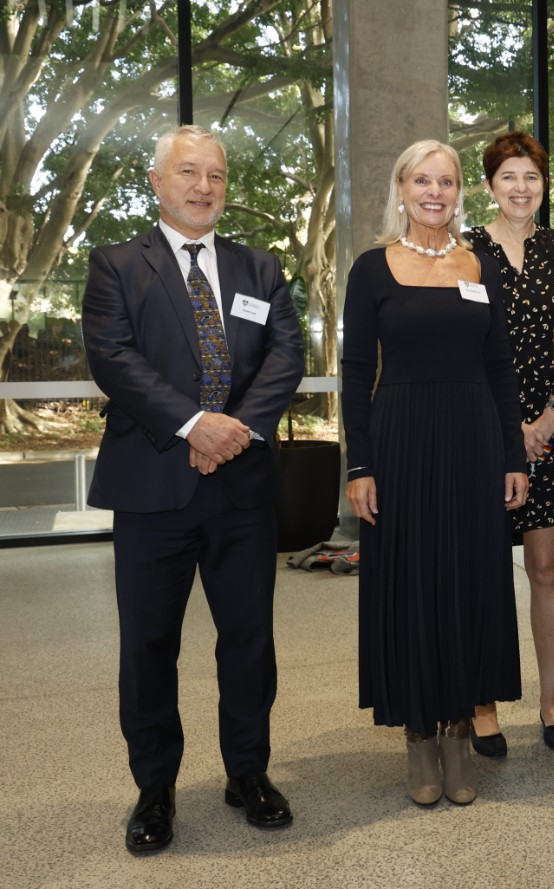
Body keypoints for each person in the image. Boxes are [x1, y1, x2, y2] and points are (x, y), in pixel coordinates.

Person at [82, 125, 305, 853]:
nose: (203, 185)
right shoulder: (117, 264)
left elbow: (286, 351)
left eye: (215, 173)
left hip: (240, 489)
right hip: (151, 488)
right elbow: (113, 357)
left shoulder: (258, 266)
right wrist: (193, 425)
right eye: (188, 172)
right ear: (156, 181)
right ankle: (154, 787)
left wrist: (234, 428)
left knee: (248, 642)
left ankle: (248, 772)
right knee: (149, 645)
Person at [342, 140, 527, 805]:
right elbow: (357, 370)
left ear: (459, 193)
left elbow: (502, 366)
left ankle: (458, 728)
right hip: (400, 440)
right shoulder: (372, 268)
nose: (435, 191)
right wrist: (358, 462)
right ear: (401, 187)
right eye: (422, 179)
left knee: (467, 579)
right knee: (411, 579)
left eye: (446, 181)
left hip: (473, 440)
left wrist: (512, 454)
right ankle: (419, 733)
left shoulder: (481, 265)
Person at [466, 131, 554, 755]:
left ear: (545, 186)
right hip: (483, 436)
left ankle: (551, 700)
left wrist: (549, 419)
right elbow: (457, 350)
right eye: (509, 176)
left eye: (532, 177)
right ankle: (483, 705)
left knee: (547, 568)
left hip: (553, 430)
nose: (521, 188)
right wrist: (505, 427)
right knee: (485, 573)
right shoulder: (463, 252)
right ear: (489, 185)